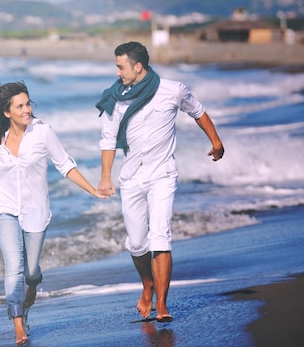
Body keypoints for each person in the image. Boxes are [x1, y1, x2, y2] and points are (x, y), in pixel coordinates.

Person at [0, 81, 106, 345]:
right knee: (14, 266)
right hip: (3, 205)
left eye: (28, 103)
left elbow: (65, 165)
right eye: (20, 106)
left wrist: (93, 190)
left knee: (30, 273)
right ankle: (18, 324)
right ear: (8, 112)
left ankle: (28, 297)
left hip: (35, 209)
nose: (26, 109)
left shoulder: (42, 133)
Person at [95, 41, 224, 322]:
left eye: (121, 66)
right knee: (137, 244)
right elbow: (108, 139)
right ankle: (147, 285)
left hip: (163, 174)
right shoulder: (115, 98)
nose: (117, 72)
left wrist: (216, 141)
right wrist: (106, 176)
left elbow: (198, 111)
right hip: (131, 177)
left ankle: (163, 304)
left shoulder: (172, 90)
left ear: (138, 67)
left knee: (160, 237)